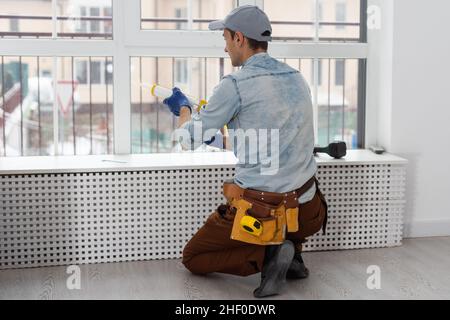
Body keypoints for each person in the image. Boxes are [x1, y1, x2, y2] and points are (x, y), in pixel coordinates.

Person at [162, 5, 328, 298]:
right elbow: (262, 141)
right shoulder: (297, 78)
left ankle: (271, 257)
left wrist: (185, 110)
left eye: (225, 39)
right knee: (287, 208)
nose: (225, 48)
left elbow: (187, 139)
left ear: (239, 38)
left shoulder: (235, 85)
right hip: (307, 210)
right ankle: (291, 254)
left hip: (262, 212)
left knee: (193, 257)